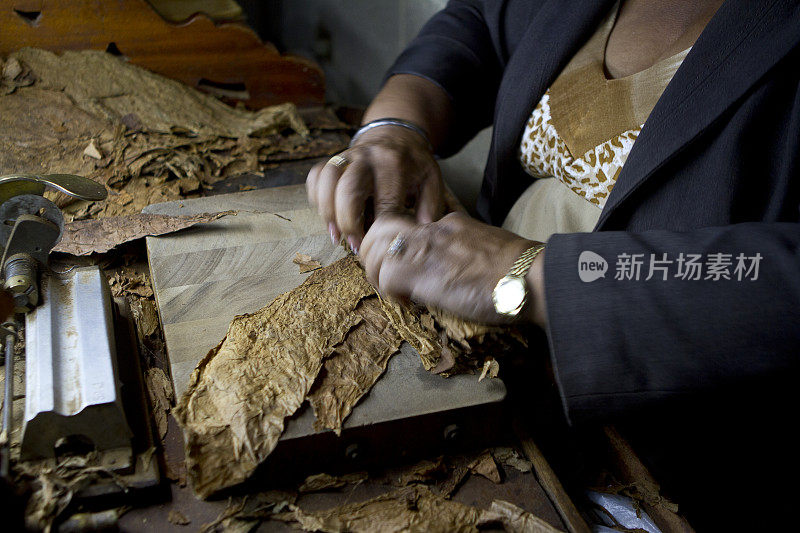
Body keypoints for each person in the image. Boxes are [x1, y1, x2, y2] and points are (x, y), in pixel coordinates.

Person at [307, 0, 800, 529]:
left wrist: (531, 278)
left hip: (680, 461)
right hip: (506, 384)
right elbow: (479, 21)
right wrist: (394, 126)